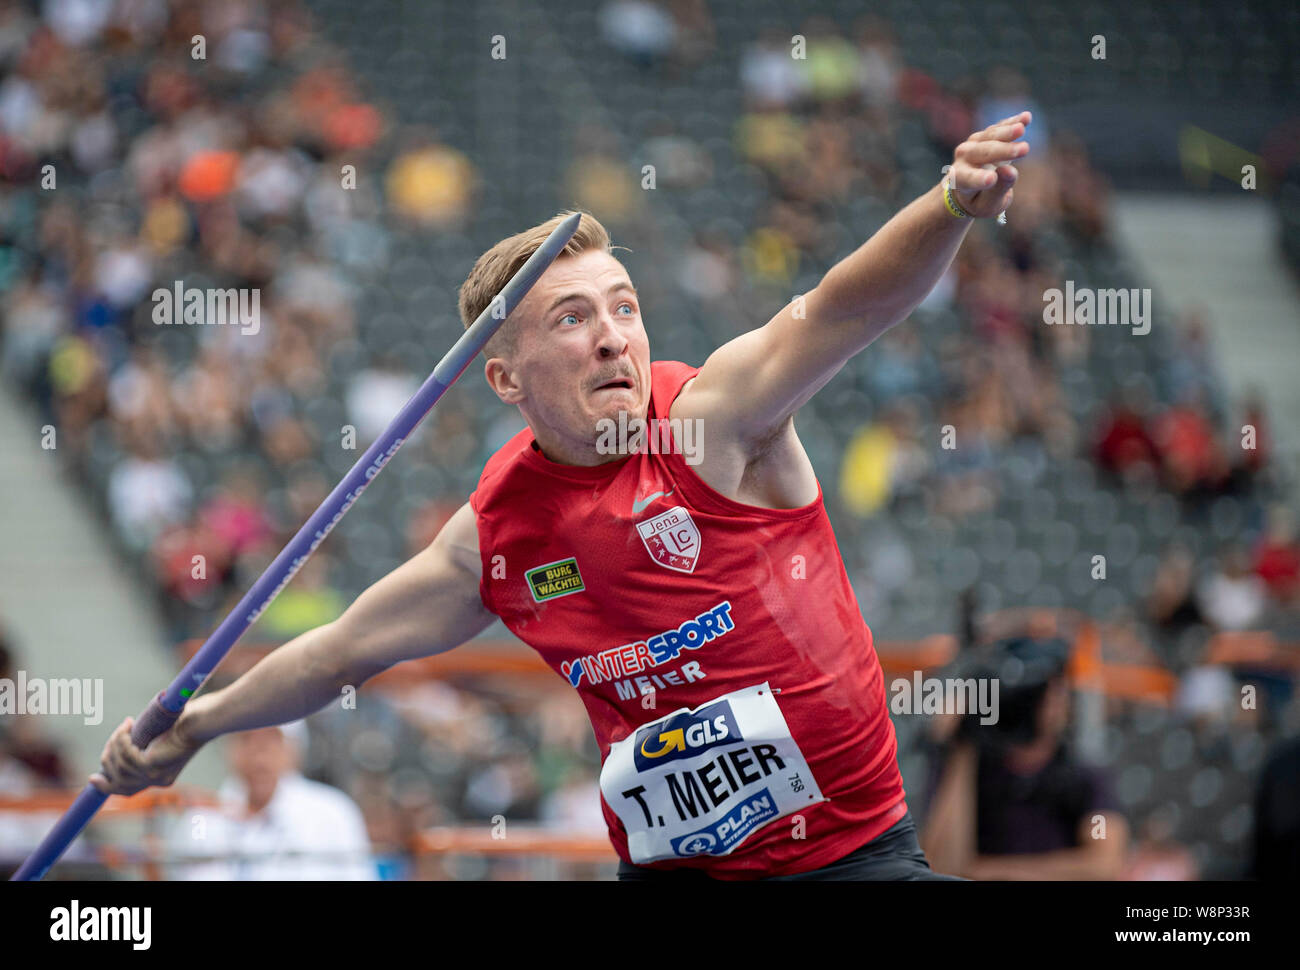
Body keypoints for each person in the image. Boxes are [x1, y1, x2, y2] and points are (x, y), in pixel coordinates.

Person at [90, 112, 1035, 880]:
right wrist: (195, 725)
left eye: (623, 305)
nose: (615, 337)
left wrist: (950, 200)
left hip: (847, 861)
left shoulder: (715, 418)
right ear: (505, 380)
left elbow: (842, 306)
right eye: (573, 318)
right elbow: (342, 652)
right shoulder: (498, 533)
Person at [920, 637, 1130, 879]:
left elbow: (1104, 862)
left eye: (1058, 693)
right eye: (1047, 695)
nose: (1057, 705)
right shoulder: (968, 768)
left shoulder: (1085, 778)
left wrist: (996, 872)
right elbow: (942, 865)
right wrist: (963, 742)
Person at [164, 721, 375, 881]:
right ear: (230, 750)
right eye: (246, 738)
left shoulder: (333, 814)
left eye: (271, 739)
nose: (258, 754)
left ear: (294, 749)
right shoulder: (201, 820)